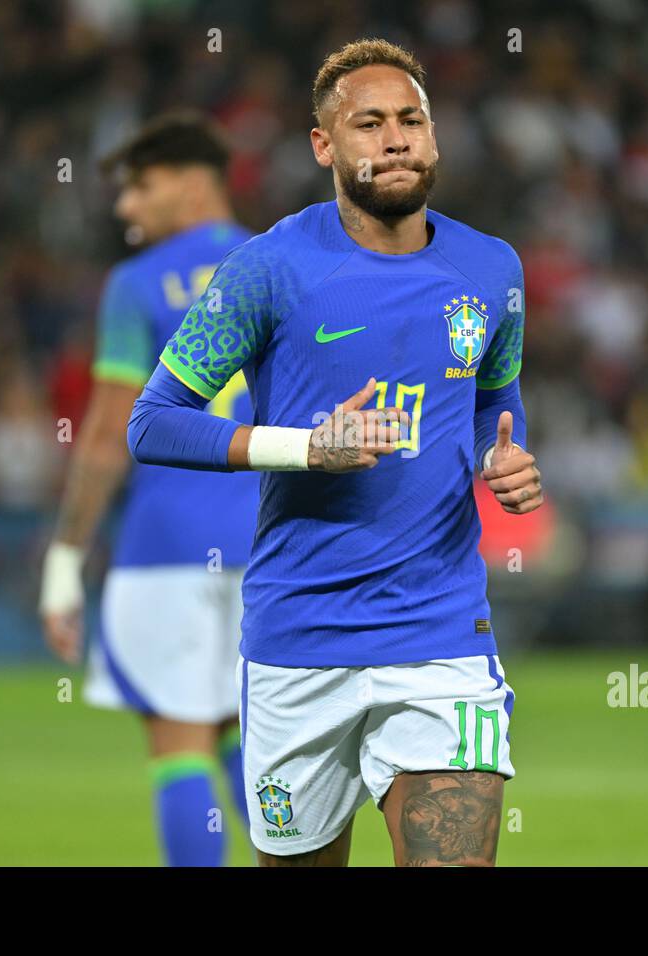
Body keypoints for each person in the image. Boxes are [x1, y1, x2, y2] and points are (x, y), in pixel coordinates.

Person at [127, 39, 543, 866]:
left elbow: (493, 399)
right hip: (298, 639)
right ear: (324, 145)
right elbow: (153, 422)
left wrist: (509, 458)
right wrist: (304, 448)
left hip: (440, 636)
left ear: (434, 136)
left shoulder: (492, 270)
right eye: (369, 123)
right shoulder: (268, 268)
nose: (395, 139)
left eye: (411, 120)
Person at [39, 113, 258, 865]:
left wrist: (65, 558)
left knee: (178, 740)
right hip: (272, 543)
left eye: (141, 187)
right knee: (247, 733)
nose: (125, 208)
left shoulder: (136, 284)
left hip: (168, 542)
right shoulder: (285, 263)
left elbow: (105, 437)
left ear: (195, 185)